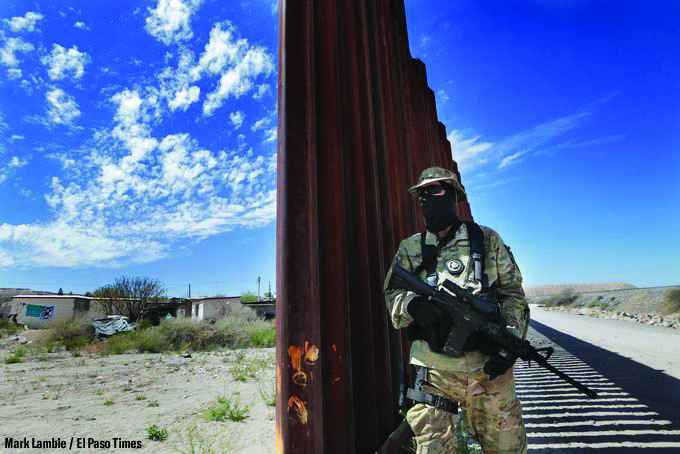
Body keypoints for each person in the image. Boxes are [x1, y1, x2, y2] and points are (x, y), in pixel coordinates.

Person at [383, 166, 530, 453]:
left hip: (488, 371)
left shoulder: (487, 241)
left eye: (435, 190)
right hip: (434, 372)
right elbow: (393, 294)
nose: (426, 199)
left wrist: (509, 342)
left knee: (507, 448)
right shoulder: (411, 248)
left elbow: (513, 295)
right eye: (422, 194)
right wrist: (412, 305)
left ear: (454, 195)